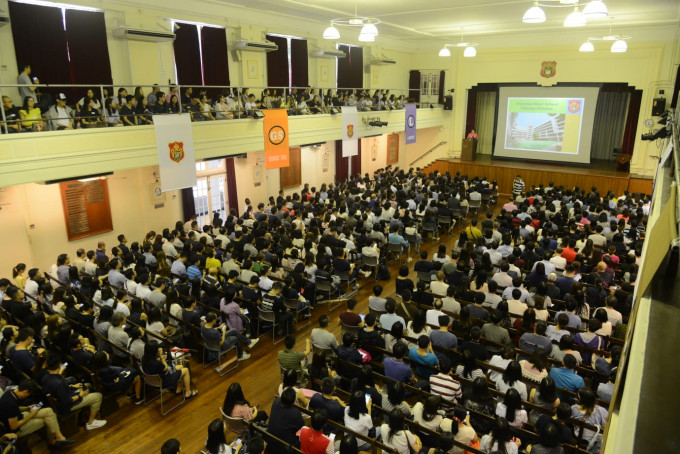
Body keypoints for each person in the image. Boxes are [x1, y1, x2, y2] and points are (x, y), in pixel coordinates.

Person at [0, 379, 74, 449]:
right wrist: (31, 415)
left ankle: (59, 438)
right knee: (48, 419)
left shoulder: (10, 392)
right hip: (16, 430)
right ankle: (53, 442)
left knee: (49, 411)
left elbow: (15, 409)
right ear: (25, 391)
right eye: (29, 393)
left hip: (19, 416)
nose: (28, 396)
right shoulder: (10, 403)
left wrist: (27, 408)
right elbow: (13, 426)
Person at [40, 354, 107, 430]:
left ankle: (83, 416)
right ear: (59, 365)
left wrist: (72, 386)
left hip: (61, 400)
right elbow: (66, 401)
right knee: (97, 396)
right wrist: (81, 395)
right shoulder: (59, 382)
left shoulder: (45, 377)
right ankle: (91, 423)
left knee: (87, 385)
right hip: (67, 406)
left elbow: (56, 389)